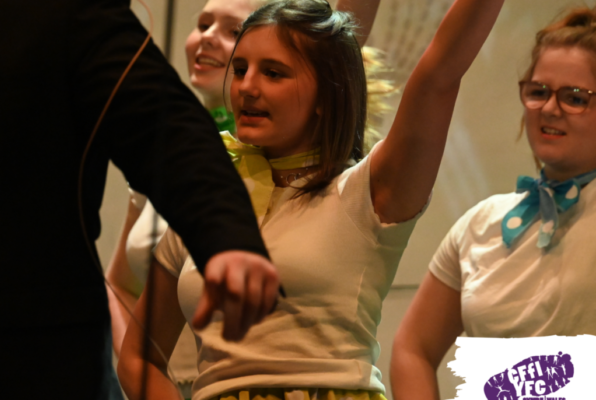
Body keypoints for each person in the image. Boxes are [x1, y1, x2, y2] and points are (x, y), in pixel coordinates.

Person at [116, 0, 503, 398]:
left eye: (273, 73)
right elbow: (138, 357)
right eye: (241, 69)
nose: (247, 87)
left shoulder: (367, 192)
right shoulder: (204, 204)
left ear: (326, 93)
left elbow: (439, 75)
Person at [0, 0, 281, 398]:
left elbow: (163, 128)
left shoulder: (55, 12)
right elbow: (122, 288)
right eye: (202, 24)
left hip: (12, 363)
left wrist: (226, 236)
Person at [105, 0, 387, 398]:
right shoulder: (177, 169)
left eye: (231, 30)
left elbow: (343, 48)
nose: (208, 38)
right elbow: (120, 285)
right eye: (203, 24)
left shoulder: (339, 181)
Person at [390, 7, 596, 400]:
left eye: (575, 98)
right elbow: (412, 348)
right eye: (538, 92)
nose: (550, 108)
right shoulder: (481, 223)